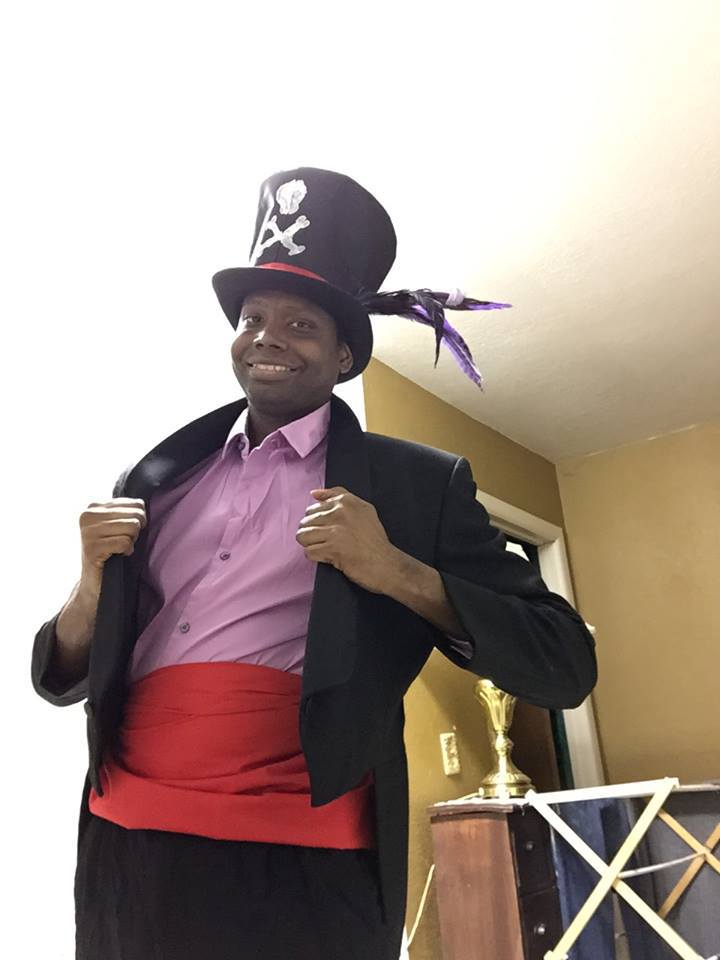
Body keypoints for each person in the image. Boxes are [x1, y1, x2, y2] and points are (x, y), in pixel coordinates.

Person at [31, 167, 597, 960]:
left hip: (302, 871)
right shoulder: (155, 478)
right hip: (126, 855)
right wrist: (90, 585)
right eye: (253, 317)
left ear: (343, 357)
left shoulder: (417, 486)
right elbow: (63, 678)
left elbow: (565, 663)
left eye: (300, 324)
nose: (267, 337)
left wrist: (395, 570)